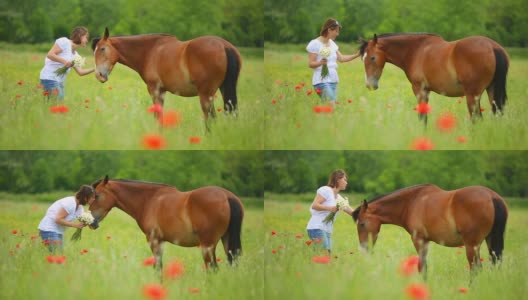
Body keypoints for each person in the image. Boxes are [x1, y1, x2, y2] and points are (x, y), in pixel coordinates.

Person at [306, 18, 361, 109]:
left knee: (330, 109)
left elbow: (342, 58)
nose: (337, 34)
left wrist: (357, 55)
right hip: (321, 80)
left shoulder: (332, 44)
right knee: (332, 106)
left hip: (333, 80)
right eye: (336, 31)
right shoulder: (315, 44)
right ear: (329, 30)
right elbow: (310, 64)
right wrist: (320, 63)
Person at [39, 26, 95, 100]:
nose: (87, 40)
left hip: (60, 82)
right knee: (56, 104)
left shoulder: (77, 56)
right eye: (86, 37)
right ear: (80, 36)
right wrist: (64, 61)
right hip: (49, 78)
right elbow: (50, 54)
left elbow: (80, 72)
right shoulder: (64, 42)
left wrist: (95, 68)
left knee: (58, 105)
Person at [306, 169, 353, 255]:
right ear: (338, 179)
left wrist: (367, 209)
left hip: (327, 230)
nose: (346, 182)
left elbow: (353, 213)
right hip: (317, 227)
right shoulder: (326, 190)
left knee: (326, 256)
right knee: (324, 255)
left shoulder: (339, 198)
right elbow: (315, 205)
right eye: (345, 180)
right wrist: (330, 208)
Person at [37, 185, 95, 252]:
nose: (94, 199)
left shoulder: (79, 207)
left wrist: (91, 223)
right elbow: (58, 219)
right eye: (92, 197)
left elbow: (86, 220)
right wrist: (75, 225)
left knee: (58, 255)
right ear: (85, 197)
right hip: (49, 230)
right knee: (57, 255)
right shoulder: (70, 203)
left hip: (58, 231)